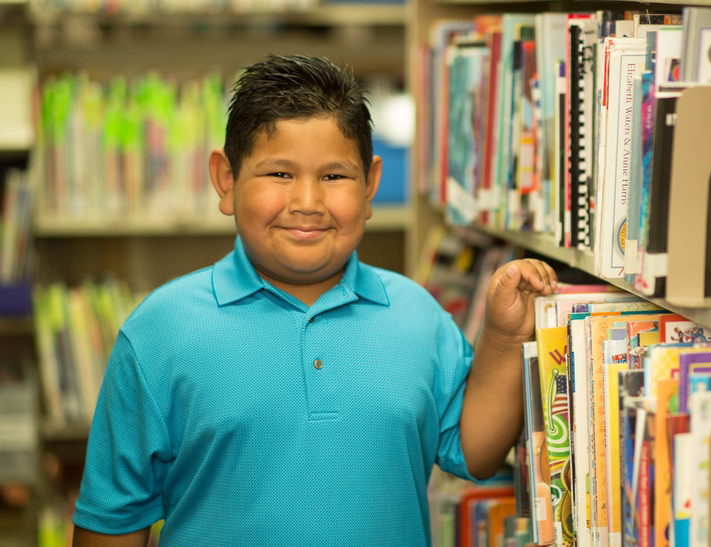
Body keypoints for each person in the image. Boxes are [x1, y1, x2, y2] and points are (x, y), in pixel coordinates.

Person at [71, 54, 558, 547]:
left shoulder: (417, 315)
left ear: (370, 185)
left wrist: (504, 338)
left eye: (334, 177)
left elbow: (476, 454)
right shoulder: (160, 331)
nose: (307, 202)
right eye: (279, 174)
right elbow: (112, 522)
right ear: (226, 180)